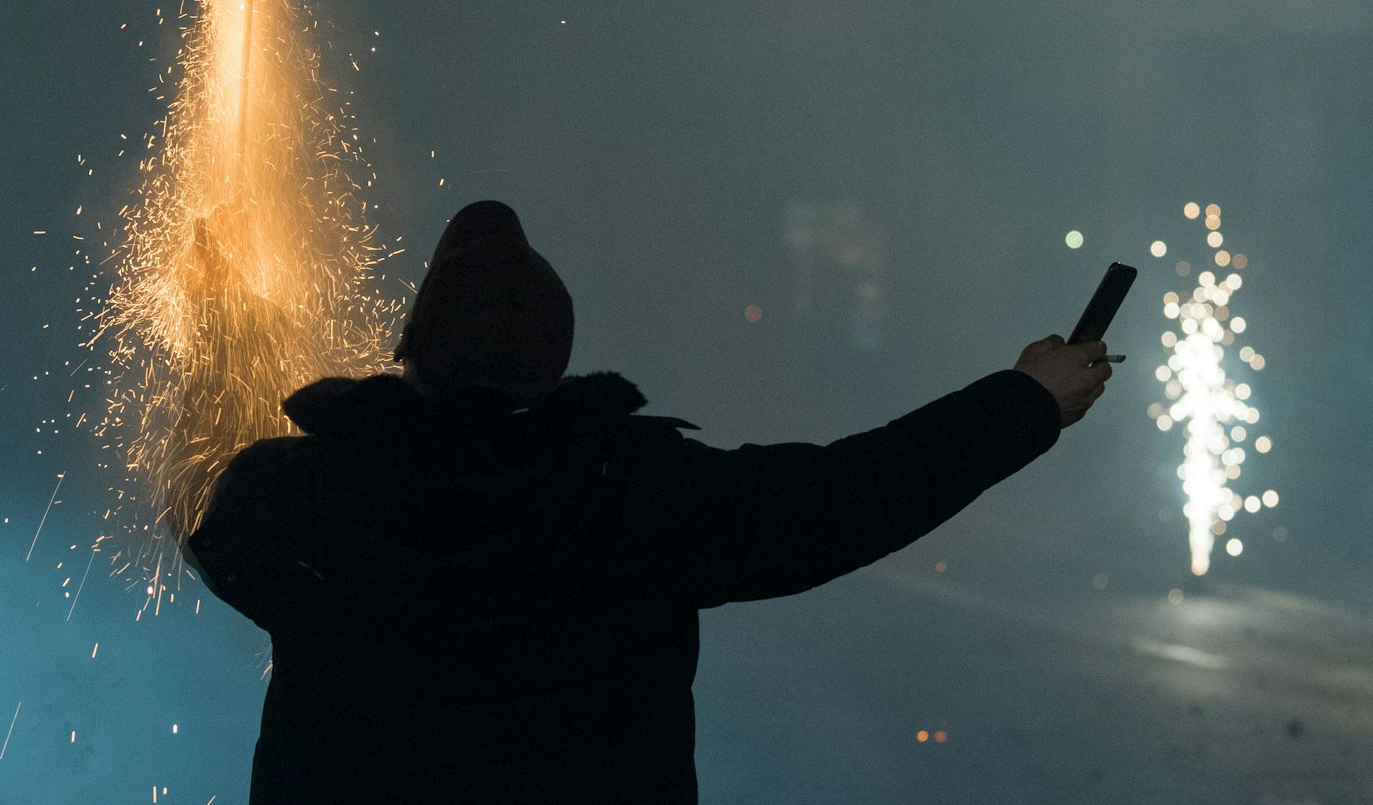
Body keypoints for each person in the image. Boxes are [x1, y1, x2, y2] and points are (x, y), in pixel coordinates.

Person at [185, 201, 1112, 803]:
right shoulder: (634, 491)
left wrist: (214, 319)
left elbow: (200, 505)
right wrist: (1025, 401)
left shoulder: (298, 491)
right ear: (555, 360)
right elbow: (847, 496)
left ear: (410, 348)